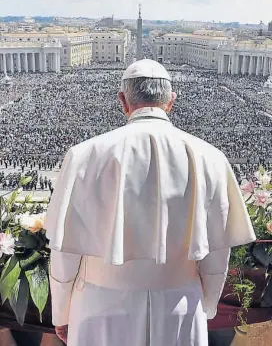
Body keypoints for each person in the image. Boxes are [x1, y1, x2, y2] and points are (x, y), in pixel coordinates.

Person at [45, 59, 256, 346]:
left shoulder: (83, 155)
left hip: (99, 306)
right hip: (179, 305)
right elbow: (216, 254)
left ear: (123, 100)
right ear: (171, 101)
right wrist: (206, 305)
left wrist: (61, 313)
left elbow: (64, 253)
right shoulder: (211, 158)